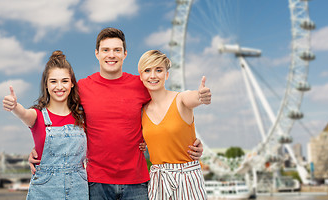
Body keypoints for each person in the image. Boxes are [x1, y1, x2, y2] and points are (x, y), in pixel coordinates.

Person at [29, 27, 205, 199]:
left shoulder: (142, 85)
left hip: (137, 181)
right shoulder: (82, 87)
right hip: (96, 182)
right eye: (106, 50)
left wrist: (189, 140)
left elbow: (168, 107)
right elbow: (60, 115)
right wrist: (41, 147)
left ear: (125, 54)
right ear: (97, 53)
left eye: (117, 50)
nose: (111, 55)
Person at [3, 50, 88, 199]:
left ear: (72, 83)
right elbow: (23, 113)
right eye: (53, 81)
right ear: (46, 85)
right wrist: (14, 106)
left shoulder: (82, 116)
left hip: (78, 190)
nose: (59, 86)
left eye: (65, 81)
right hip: (44, 191)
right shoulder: (37, 115)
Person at [138, 50, 211, 200]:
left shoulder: (181, 99)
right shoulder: (141, 112)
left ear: (167, 74)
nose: (153, 75)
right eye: (147, 70)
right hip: (158, 180)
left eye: (159, 70)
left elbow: (193, 97)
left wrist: (201, 96)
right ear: (141, 76)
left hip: (187, 178)